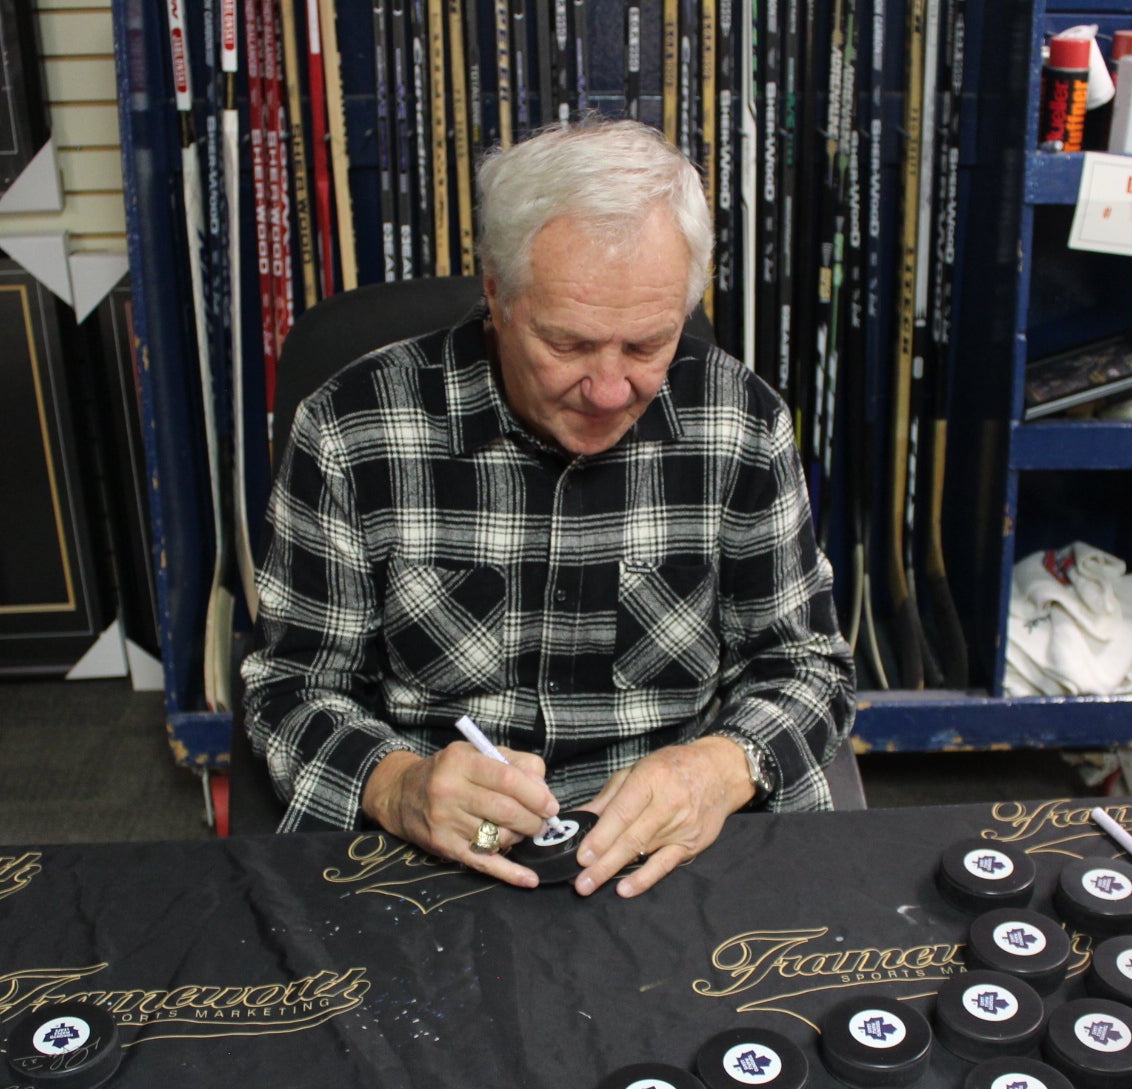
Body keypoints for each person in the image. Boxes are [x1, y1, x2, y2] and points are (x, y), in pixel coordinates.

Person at [242, 118, 854, 898]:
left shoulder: (739, 423)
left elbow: (806, 667)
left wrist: (721, 767)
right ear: (496, 295)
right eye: (567, 345)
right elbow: (291, 685)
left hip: (674, 850)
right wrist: (398, 786)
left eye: (646, 346)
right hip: (434, 855)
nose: (608, 390)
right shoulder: (352, 428)